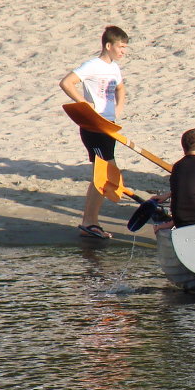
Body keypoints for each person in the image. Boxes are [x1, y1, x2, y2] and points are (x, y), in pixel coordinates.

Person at [58, 25, 129, 239]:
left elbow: (120, 88)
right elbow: (66, 83)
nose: (123, 51)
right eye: (120, 47)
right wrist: (84, 105)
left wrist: (117, 110)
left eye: (125, 47)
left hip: (109, 126)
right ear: (108, 46)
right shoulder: (93, 65)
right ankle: (89, 222)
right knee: (105, 172)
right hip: (93, 127)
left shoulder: (114, 68)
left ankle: (89, 222)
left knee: (102, 174)